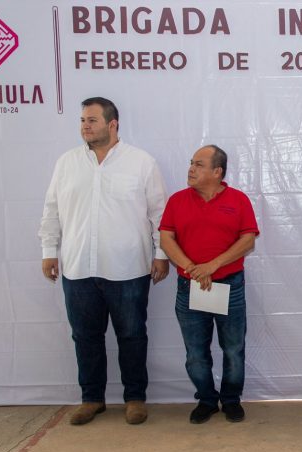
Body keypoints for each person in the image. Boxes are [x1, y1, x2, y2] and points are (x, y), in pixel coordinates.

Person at [39, 97, 169, 425]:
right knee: (85, 336)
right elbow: (52, 208)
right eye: (83, 120)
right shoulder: (66, 163)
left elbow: (159, 214)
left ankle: (135, 398)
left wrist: (161, 254)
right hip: (78, 266)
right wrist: (49, 251)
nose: (85, 126)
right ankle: (92, 398)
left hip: (129, 268)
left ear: (113, 124)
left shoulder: (141, 162)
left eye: (93, 120)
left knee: (132, 335)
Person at [160, 145, 259, 424]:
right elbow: (166, 238)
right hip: (189, 286)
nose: (191, 169)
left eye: (199, 164)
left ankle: (230, 400)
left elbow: (247, 240)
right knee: (195, 352)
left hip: (229, 286)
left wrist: (212, 266)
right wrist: (192, 269)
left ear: (217, 171)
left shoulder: (238, 200)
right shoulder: (177, 201)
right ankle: (206, 399)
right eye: (191, 163)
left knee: (233, 349)